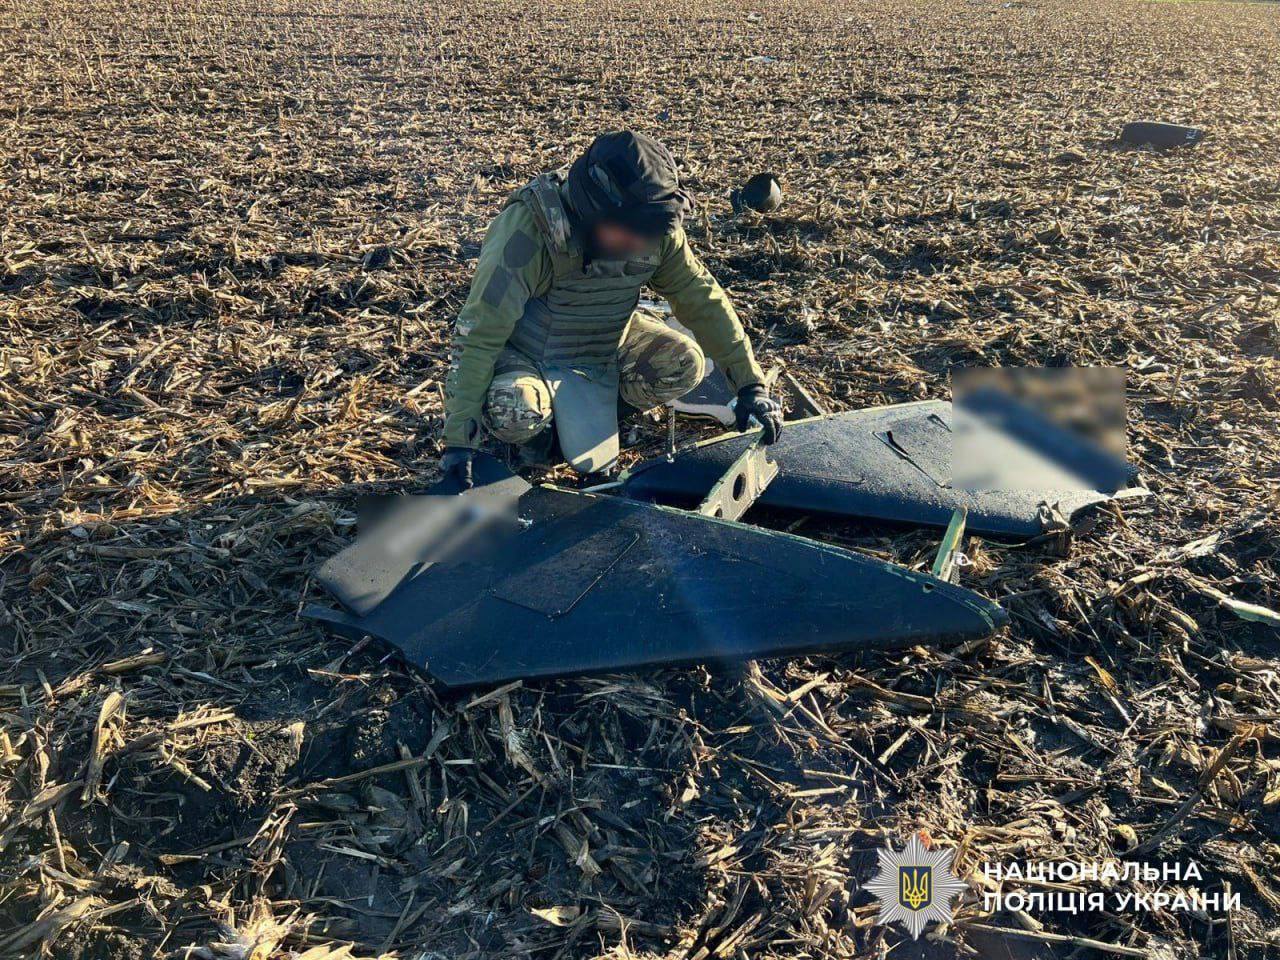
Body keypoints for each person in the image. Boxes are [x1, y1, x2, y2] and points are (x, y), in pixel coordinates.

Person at [439, 130, 783, 488]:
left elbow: (702, 299)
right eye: (628, 230)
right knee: (515, 407)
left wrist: (750, 385)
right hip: (527, 352)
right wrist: (459, 444)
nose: (638, 242)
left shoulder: (655, 230)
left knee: (683, 363)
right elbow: (480, 333)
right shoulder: (529, 230)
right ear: (591, 209)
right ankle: (538, 442)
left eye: (647, 233)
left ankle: (588, 424)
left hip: (605, 340)